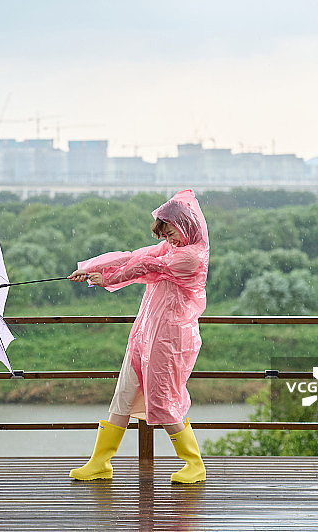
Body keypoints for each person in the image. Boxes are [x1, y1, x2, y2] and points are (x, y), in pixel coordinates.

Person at [67, 189, 209, 483]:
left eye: (171, 232)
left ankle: (194, 464)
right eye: (166, 234)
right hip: (145, 332)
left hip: (170, 338)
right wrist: (88, 269)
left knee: (163, 399)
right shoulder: (171, 249)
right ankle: (100, 462)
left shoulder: (191, 258)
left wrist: (105, 279)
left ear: (186, 226)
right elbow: (134, 256)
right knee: (123, 395)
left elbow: (145, 267)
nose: (168, 239)